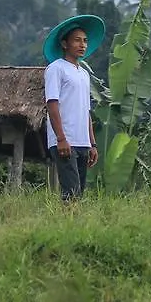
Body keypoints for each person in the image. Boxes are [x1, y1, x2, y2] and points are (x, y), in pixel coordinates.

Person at [42, 13, 106, 201]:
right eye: (77, 40)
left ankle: (72, 225)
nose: (82, 45)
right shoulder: (56, 68)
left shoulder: (84, 74)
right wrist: (61, 138)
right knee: (71, 191)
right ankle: (66, 225)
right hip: (65, 139)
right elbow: (52, 104)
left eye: (85, 41)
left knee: (79, 192)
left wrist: (92, 143)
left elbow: (86, 111)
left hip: (82, 141)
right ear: (64, 44)